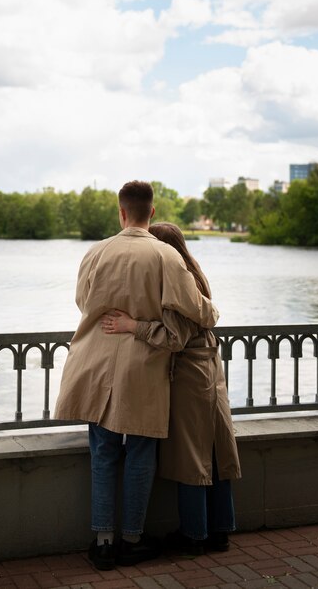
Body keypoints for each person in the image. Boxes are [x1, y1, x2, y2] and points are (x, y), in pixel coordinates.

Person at [54, 182, 218, 571]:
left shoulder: (96, 252)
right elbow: (199, 311)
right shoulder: (164, 256)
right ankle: (132, 539)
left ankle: (103, 541)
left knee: (103, 451)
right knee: (141, 454)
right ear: (153, 213)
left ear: (121, 212)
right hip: (142, 369)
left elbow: (83, 301)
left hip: (94, 364)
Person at [100, 222, 241, 556]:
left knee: (190, 456)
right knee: (215, 453)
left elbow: (174, 338)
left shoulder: (177, 285)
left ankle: (194, 534)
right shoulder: (195, 274)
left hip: (191, 378)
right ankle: (220, 530)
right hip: (210, 374)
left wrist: (133, 326)